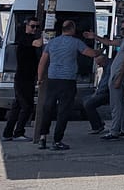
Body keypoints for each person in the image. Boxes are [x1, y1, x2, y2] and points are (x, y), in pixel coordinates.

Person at [36, 20, 100, 151]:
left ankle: (42, 138)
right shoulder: (75, 42)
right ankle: (57, 140)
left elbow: (42, 62)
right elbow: (91, 54)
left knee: (48, 108)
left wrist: (40, 78)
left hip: (53, 79)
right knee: (63, 111)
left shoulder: (52, 43)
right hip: (67, 81)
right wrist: (101, 49)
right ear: (72, 29)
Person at [3, 18, 43, 141]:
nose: (35, 29)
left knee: (17, 106)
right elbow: (38, 43)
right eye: (33, 26)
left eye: (37, 27)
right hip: (22, 78)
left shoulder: (29, 38)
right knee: (27, 106)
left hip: (28, 77)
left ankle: (8, 133)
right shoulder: (23, 38)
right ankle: (18, 132)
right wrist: (46, 35)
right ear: (27, 25)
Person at [99, 21, 124, 140]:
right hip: (116, 75)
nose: (122, 31)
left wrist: (119, 77)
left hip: (118, 75)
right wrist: (95, 37)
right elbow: (110, 42)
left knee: (116, 105)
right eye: (121, 29)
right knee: (121, 103)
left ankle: (115, 130)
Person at [82, 54, 111, 134]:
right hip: (103, 91)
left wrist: (97, 93)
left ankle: (97, 126)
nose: (99, 65)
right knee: (85, 100)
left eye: (99, 63)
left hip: (107, 93)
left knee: (88, 104)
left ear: (103, 61)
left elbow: (105, 84)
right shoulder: (106, 66)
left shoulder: (109, 68)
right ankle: (98, 123)